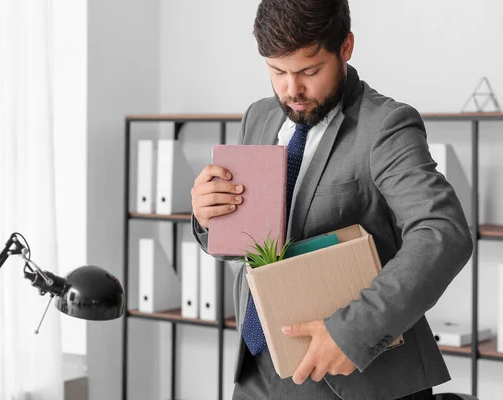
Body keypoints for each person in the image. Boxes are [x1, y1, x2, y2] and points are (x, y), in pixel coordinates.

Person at [191, 0, 473, 399]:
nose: (292, 90)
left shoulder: (386, 126)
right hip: (258, 371)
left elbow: (442, 233)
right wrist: (208, 217)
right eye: (277, 72)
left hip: (356, 375)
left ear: (345, 47)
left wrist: (352, 332)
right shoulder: (258, 117)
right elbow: (251, 245)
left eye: (309, 71)